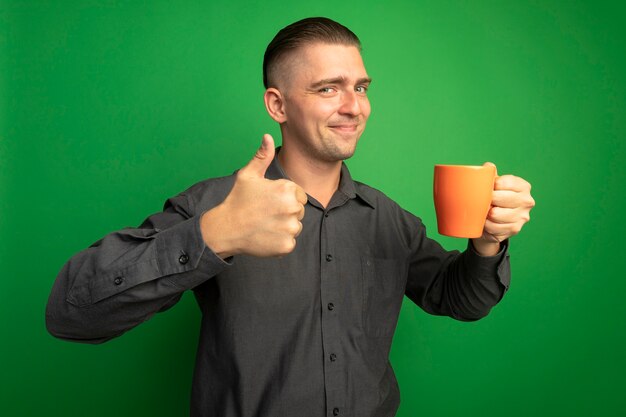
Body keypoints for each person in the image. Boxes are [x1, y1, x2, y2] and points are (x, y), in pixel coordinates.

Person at [46, 17, 535, 417]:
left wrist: (487, 242)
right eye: (328, 89)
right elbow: (71, 314)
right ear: (277, 105)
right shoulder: (216, 204)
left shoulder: (388, 218)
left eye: (361, 87)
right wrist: (215, 235)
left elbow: (462, 299)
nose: (354, 106)